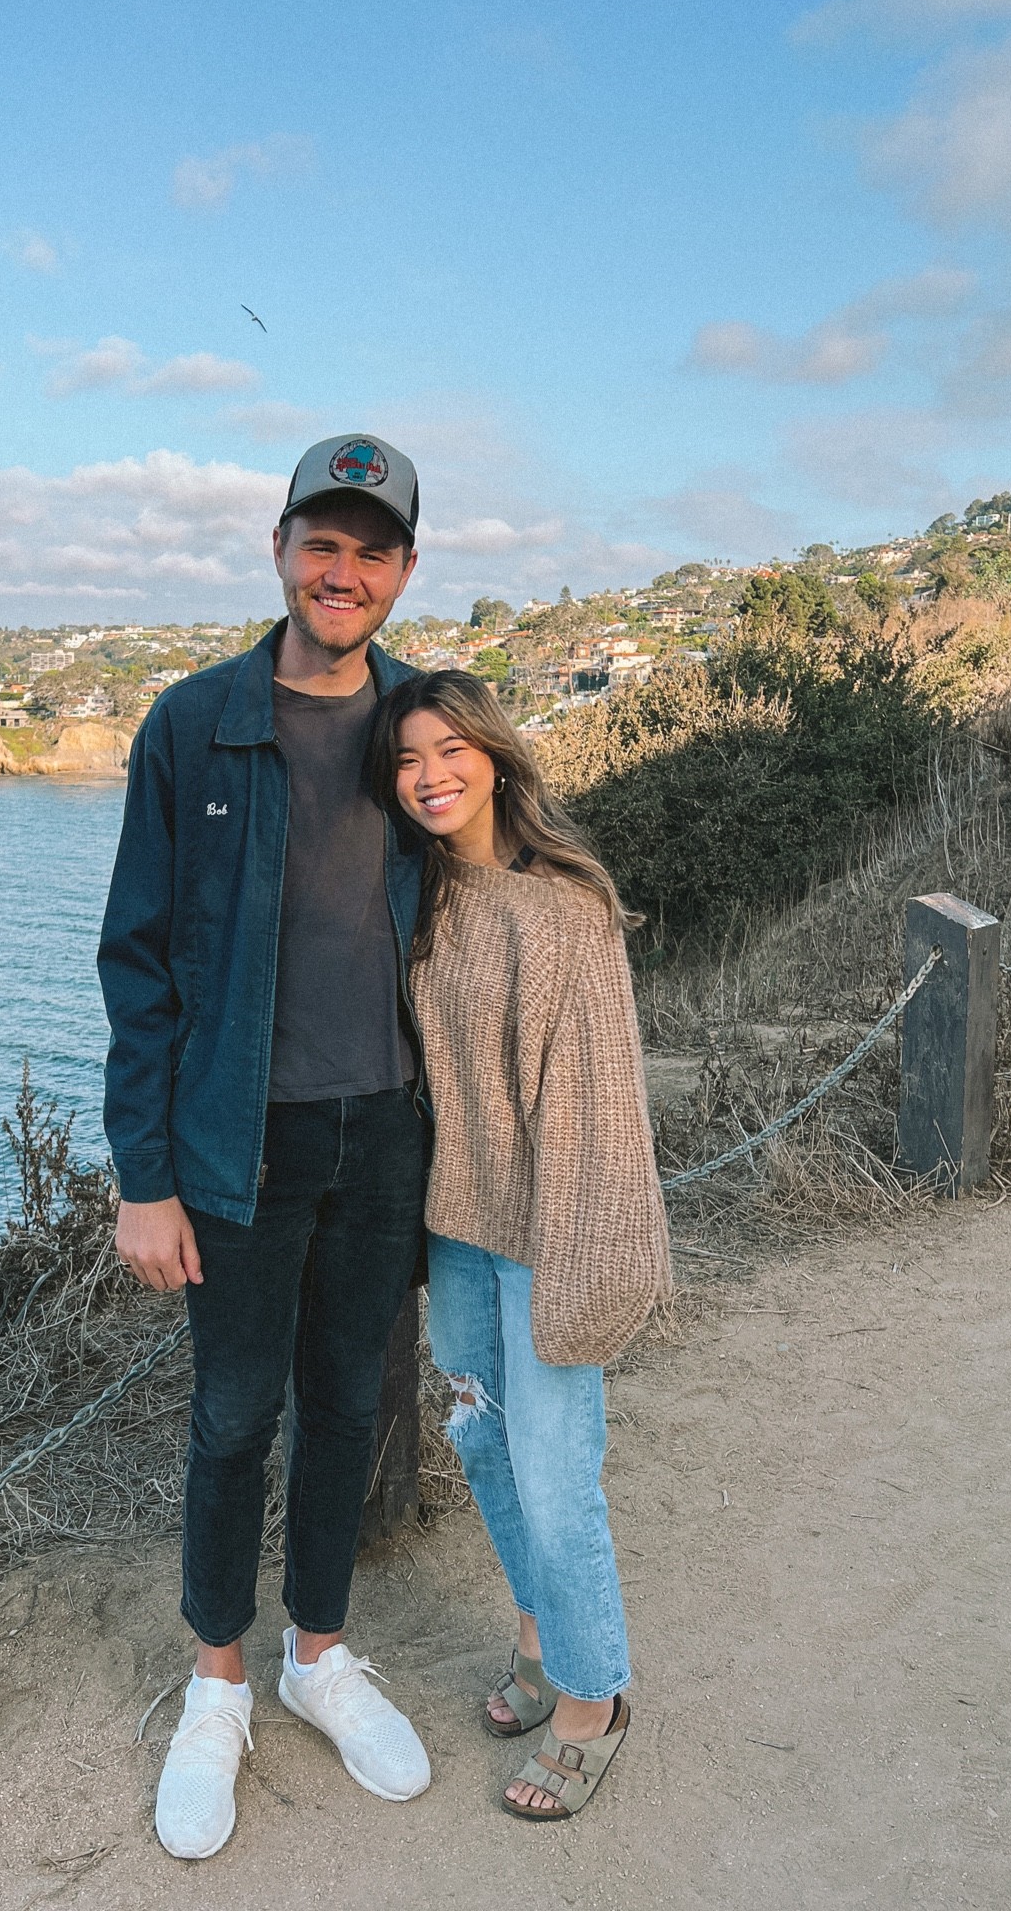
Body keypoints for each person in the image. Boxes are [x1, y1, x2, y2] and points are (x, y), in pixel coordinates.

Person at [98, 434, 434, 1862]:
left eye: (371, 548)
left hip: (392, 1133)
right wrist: (142, 1176)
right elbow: (139, 962)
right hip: (237, 1146)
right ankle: (219, 1685)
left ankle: (319, 1658)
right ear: (279, 547)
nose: (341, 569)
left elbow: (505, 906)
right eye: (322, 539)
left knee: (351, 1405)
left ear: (404, 572)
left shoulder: (431, 724)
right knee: (235, 1418)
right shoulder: (193, 725)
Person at [367, 668, 672, 1823]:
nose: (429, 775)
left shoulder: (560, 906)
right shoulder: (419, 895)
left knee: (556, 1477)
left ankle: (596, 1699)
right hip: (458, 1225)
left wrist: (579, 1268)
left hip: (550, 1231)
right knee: (480, 1442)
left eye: (449, 750)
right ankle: (544, 1638)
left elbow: (597, 1107)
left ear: (495, 755)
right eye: (405, 759)